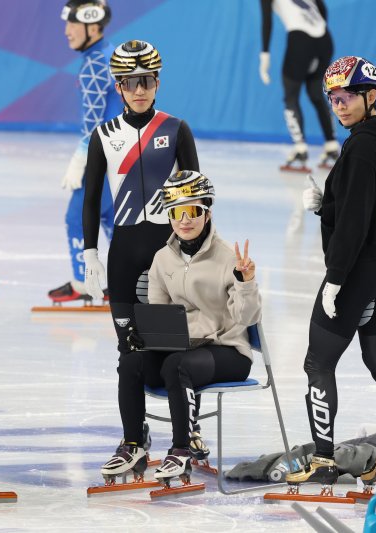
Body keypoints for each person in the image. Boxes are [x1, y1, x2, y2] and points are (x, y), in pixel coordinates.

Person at [81, 40, 208, 459]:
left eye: (148, 81)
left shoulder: (175, 129)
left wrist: (203, 255)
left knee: (178, 348)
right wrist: (89, 251)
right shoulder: (104, 136)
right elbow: (90, 197)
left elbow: (198, 198)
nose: (140, 89)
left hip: (169, 254)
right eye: (132, 82)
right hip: (124, 251)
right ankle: (134, 439)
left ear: (158, 82)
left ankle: (186, 436)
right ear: (118, 86)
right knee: (128, 355)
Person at [289, 56, 376, 493]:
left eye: (347, 98)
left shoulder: (361, 146)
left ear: (371, 96)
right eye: (333, 99)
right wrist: (328, 205)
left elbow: (358, 218)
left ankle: (322, 460)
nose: (339, 107)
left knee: (318, 362)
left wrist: (337, 276)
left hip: (356, 271)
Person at [100, 171, 261, 484]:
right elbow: (160, 317)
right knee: (130, 361)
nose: (184, 220)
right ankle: (133, 444)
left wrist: (246, 281)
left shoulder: (229, 258)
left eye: (192, 212)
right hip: (183, 346)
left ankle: (182, 450)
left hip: (227, 351)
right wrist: (143, 337)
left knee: (176, 366)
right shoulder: (162, 259)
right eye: (176, 213)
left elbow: (248, 318)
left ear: (207, 213)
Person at [49, 0, 117, 304]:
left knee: (77, 218)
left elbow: (92, 124)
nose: (66, 32)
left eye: (72, 24)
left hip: (103, 157)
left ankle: (83, 282)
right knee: (112, 219)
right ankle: (125, 281)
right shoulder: (108, 54)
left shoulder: (94, 64)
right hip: (120, 154)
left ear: (92, 25)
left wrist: (80, 159)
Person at [259, 0, 338, 170]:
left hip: (300, 40)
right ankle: (332, 146)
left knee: (291, 96)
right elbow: (322, 7)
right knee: (317, 94)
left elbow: (267, 20)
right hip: (325, 39)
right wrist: (318, 31)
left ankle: (300, 149)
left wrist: (265, 55)